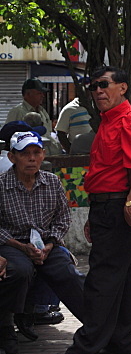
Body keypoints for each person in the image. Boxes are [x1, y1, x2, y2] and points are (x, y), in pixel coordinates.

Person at [43, 66, 131, 354]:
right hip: (107, 207)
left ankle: (86, 351)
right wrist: (98, 212)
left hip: (118, 207)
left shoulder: (130, 120)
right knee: (121, 278)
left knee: (101, 282)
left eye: (104, 85)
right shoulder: (108, 121)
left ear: (123, 87)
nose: (98, 91)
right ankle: (123, 342)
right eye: (93, 87)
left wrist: (130, 205)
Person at [0, 132, 86, 341]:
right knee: (20, 270)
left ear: (43, 155)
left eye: (36, 153)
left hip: (47, 243)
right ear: (12, 157)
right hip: (12, 243)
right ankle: (7, 327)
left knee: (66, 272)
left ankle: (97, 325)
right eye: (25, 154)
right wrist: (21, 247)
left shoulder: (52, 182)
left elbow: (63, 218)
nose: (31, 159)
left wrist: (49, 245)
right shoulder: (2, 184)